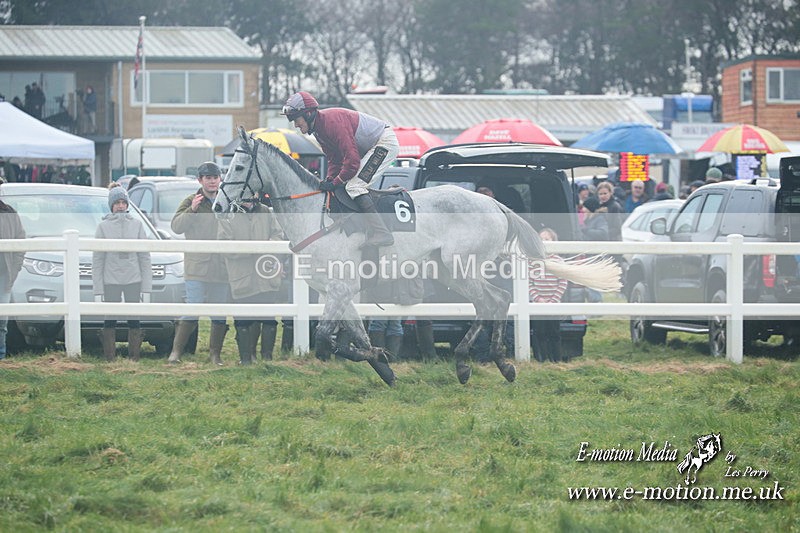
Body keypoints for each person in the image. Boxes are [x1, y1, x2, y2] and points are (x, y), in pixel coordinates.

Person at [281, 91, 399, 248]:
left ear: (308, 114)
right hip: (371, 146)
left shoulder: (332, 123)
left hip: (384, 143)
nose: (295, 124)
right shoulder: (319, 130)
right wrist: (329, 179)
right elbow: (335, 159)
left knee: (354, 186)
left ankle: (382, 232)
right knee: (345, 185)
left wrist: (336, 181)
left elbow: (352, 163)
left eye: (296, 119)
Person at [168, 161, 230, 365]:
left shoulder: (227, 200)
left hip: (221, 267)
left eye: (215, 177)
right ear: (200, 180)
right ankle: (176, 353)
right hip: (196, 267)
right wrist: (192, 210)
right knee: (192, 309)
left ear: (220, 179)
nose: (212, 181)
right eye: (208, 178)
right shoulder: (190, 200)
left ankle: (215, 355)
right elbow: (176, 227)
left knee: (219, 312)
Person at [218, 197, 284, 365]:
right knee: (242, 319)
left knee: (269, 318)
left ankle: (267, 359)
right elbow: (225, 245)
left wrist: (267, 247)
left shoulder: (266, 212)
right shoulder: (228, 215)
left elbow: (278, 235)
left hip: (266, 274)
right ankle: (245, 359)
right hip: (242, 274)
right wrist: (253, 250)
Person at [93, 184, 152, 361]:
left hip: (133, 279)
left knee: (134, 318)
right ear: (111, 205)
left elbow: (144, 257)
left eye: (123, 202)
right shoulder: (103, 227)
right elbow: (98, 259)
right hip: (110, 279)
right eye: (116, 202)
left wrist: (146, 287)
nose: (120, 205)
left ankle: (134, 356)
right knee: (110, 318)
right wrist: (98, 289)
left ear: (127, 204)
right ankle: (110, 356)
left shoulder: (137, 225)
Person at [529, 228, 567, 362]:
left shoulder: (558, 261)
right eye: (541, 239)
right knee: (539, 332)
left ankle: (556, 359)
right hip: (538, 303)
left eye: (547, 239)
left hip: (553, 303)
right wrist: (537, 298)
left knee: (554, 332)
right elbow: (529, 282)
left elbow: (563, 282)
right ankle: (541, 358)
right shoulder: (533, 261)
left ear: (554, 241)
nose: (544, 242)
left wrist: (554, 300)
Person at [0, 178, 25, 360]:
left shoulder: (10, 213)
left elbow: (20, 243)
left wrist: (14, 270)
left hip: (4, 274)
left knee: (2, 322)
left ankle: (1, 356)